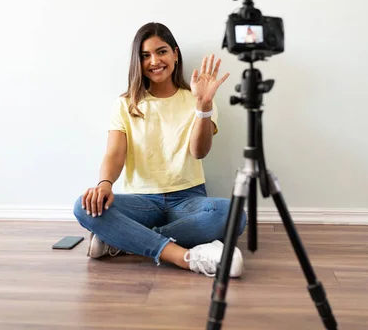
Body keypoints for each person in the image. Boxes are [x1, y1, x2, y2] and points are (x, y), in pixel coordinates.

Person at [73, 22, 247, 277]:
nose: (154, 61)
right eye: (145, 55)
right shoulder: (125, 104)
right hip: (142, 200)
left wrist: (204, 106)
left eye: (162, 51)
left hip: (188, 199)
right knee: (84, 206)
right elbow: (114, 153)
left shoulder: (198, 99)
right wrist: (104, 184)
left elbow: (199, 152)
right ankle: (184, 257)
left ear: (175, 54)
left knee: (233, 215)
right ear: (138, 61)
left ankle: (124, 242)